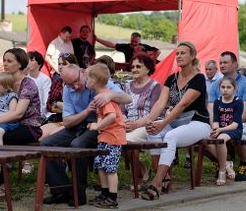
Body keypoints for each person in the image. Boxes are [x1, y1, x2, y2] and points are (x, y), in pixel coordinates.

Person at [41, 64, 131, 206]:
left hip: (99, 128)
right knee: (46, 144)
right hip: (79, 125)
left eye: (77, 81)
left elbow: (127, 99)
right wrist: (87, 111)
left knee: (77, 145)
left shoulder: (100, 83)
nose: (75, 86)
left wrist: (110, 95)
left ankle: (79, 194)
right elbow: (67, 122)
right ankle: (62, 191)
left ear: (83, 73)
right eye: (70, 84)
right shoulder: (68, 90)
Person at [141, 41, 211, 201]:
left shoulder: (199, 78)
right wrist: (149, 121)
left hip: (198, 123)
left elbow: (182, 105)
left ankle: (156, 184)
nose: (178, 56)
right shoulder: (171, 78)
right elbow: (160, 103)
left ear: (192, 56)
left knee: (170, 137)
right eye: (177, 53)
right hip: (176, 122)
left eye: (183, 53)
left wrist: (163, 123)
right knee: (151, 131)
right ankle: (165, 177)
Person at [0, 48, 44, 197]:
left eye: (9, 61)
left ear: (20, 64)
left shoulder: (27, 84)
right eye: (4, 60)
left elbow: (18, 113)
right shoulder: (4, 82)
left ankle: (2, 186)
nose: (5, 63)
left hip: (28, 127)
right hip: (9, 124)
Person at [208, 51, 246, 181]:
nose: (222, 65)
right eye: (220, 63)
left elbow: (245, 113)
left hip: (243, 122)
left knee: (242, 133)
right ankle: (223, 163)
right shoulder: (215, 85)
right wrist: (214, 126)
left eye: (225, 62)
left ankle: (243, 164)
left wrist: (227, 128)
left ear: (235, 64)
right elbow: (211, 110)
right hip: (221, 123)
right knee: (203, 136)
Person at [86, 64, 127, 209]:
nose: (86, 81)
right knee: (100, 166)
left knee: (110, 168)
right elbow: (103, 116)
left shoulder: (104, 97)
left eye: (87, 78)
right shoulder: (100, 96)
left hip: (113, 137)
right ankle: (104, 194)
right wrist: (96, 124)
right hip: (104, 137)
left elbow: (111, 116)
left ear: (94, 80)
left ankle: (112, 197)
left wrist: (97, 126)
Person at [121, 54, 162, 183]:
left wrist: (135, 124)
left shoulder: (155, 86)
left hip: (147, 125)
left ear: (148, 69)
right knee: (113, 138)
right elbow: (122, 109)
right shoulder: (127, 86)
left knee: (125, 141)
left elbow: (153, 114)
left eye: (138, 66)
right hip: (128, 125)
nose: (134, 69)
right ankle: (142, 169)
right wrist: (124, 121)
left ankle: (137, 177)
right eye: (132, 66)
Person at [209, 77, 242, 186]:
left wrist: (220, 130)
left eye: (228, 87)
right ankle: (227, 164)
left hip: (234, 130)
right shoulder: (217, 102)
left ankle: (222, 171)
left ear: (234, 88)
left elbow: (235, 124)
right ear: (219, 88)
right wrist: (215, 129)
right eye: (223, 87)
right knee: (208, 139)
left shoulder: (238, 102)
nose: (225, 90)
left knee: (220, 139)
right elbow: (216, 120)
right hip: (220, 129)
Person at [39, 53, 79, 142]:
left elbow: (77, 110)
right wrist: (57, 104)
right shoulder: (57, 81)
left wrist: (61, 106)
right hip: (57, 119)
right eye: (59, 64)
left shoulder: (78, 83)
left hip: (72, 122)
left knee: (52, 138)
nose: (60, 66)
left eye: (64, 64)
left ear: (74, 66)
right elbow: (49, 105)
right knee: (39, 136)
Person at [27, 51, 52, 119]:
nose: (28, 62)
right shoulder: (24, 78)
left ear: (39, 64)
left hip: (41, 115)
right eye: (27, 60)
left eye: (32, 60)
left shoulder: (45, 79)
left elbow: (46, 99)